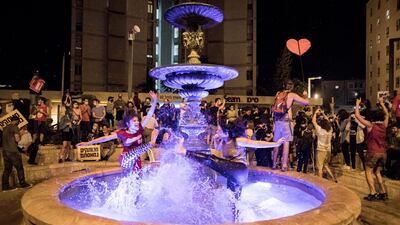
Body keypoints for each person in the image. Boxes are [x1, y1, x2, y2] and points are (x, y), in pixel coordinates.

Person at [77, 91, 158, 171]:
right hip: (125, 159)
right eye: (134, 121)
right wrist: (87, 143)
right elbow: (104, 138)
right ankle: (149, 144)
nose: (137, 122)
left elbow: (149, 114)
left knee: (135, 178)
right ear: (128, 124)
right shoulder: (122, 133)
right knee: (133, 146)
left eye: (137, 120)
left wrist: (154, 100)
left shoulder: (140, 128)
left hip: (136, 159)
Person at [355, 97, 389, 201]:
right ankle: (383, 192)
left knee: (368, 171)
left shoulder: (370, 126)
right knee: (377, 172)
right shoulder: (384, 125)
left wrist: (357, 103)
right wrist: (382, 104)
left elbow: (357, 115)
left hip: (373, 152)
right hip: (383, 153)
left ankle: (373, 193)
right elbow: (387, 114)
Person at [271, 79, 309, 171]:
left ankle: (274, 164)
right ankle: (284, 165)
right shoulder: (292, 95)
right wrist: (305, 95)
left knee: (276, 143)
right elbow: (306, 102)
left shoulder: (278, 93)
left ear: (283, 85)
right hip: (286, 122)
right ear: (291, 87)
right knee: (286, 143)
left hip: (277, 121)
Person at [2, 117, 31, 191]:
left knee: (7, 169)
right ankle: (23, 183)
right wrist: (21, 134)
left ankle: (5, 186)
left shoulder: (5, 128)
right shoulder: (15, 127)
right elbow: (17, 139)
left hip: (5, 151)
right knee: (19, 168)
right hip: (13, 151)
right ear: (17, 121)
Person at [312, 109, 337, 182]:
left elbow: (313, 121)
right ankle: (333, 178)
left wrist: (316, 113)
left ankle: (321, 182)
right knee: (326, 165)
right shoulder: (330, 130)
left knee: (319, 167)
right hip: (328, 150)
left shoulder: (320, 130)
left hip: (321, 150)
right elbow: (327, 121)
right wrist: (323, 113)